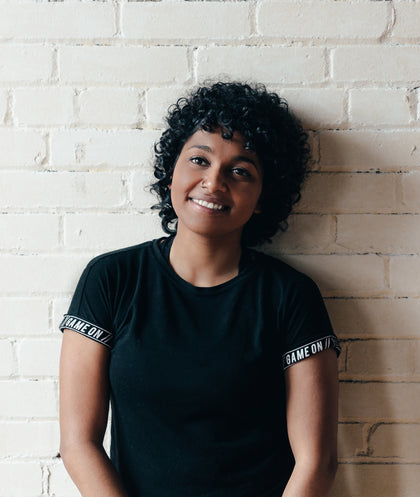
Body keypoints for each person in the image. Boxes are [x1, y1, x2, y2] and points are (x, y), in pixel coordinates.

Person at [58, 82, 340, 497]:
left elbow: (317, 461)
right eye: (199, 160)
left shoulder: (290, 296)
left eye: (240, 171)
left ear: (263, 197)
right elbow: (78, 444)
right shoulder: (111, 279)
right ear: (172, 170)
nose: (213, 182)